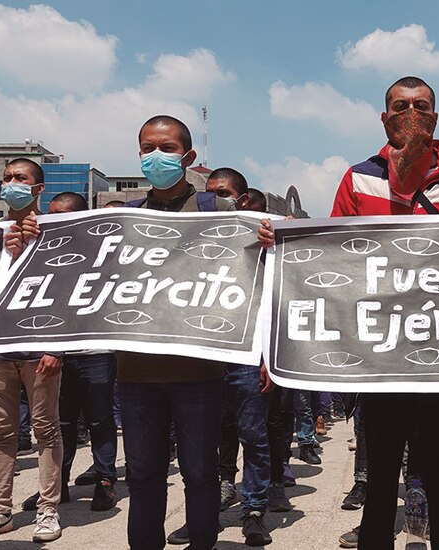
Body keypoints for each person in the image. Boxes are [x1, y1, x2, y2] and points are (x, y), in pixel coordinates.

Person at [261, 76, 439, 550]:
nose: (411, 113)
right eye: (400, 106)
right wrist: (287, 242)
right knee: (380, 475)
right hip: (379, 358)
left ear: (435, 117)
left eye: (421, 105)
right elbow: (332, 256)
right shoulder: (358, 177)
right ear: (384, 118)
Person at [11, 115, 237, 549]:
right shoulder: (122, 219)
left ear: (187, 156)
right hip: (136, 374)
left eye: (167, 148)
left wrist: (263, 237)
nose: (157, 156)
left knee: (201, 475)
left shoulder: (218, 211)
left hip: (200, 372)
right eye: (148, 148)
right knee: (144, 477)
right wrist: (33, 240)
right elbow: (74, 270)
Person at [164, 167, 274, 546]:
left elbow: (275, 299)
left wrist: (268, 358)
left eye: (222, 192)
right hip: (201, 355)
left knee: (254, 437)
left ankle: (255, 509)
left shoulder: (263, 237)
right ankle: (204, 514)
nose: (213, 199)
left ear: (241, 199)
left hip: (246, 356)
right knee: (200, 441)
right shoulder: (191, 236)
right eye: (208, 192)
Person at [0, 158, 66, 543]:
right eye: (6, 178)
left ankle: (48, 509)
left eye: (20, 178)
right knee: (1, 432)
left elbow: (67, 291)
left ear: (39, 189)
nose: (10, 184)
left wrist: (57, 348)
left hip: (40, 349)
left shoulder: (59, 232)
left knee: (46, 429)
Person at [18, 192, 119, 514]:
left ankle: (105, 482)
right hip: (51, 357)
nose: (50, 220)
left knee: (100, 421)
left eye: (58, 215)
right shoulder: (42, 253)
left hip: (95, 353)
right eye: (48, 214)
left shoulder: (102, 254)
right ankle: (56, 485)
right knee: (59, 424)